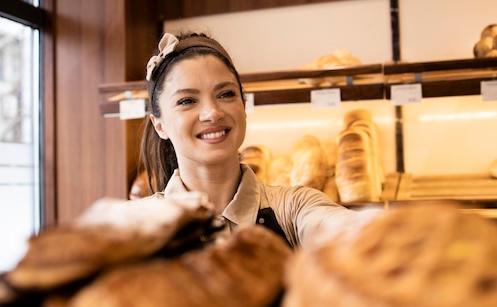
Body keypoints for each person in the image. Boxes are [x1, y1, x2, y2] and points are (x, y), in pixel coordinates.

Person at [140, 31, 381, 248]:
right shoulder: (139, 225)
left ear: (243, 107)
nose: (212, 112)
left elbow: (341, 229)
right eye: (187, 101)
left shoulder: (293, 207)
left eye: (225, 94)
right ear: (159, 125)